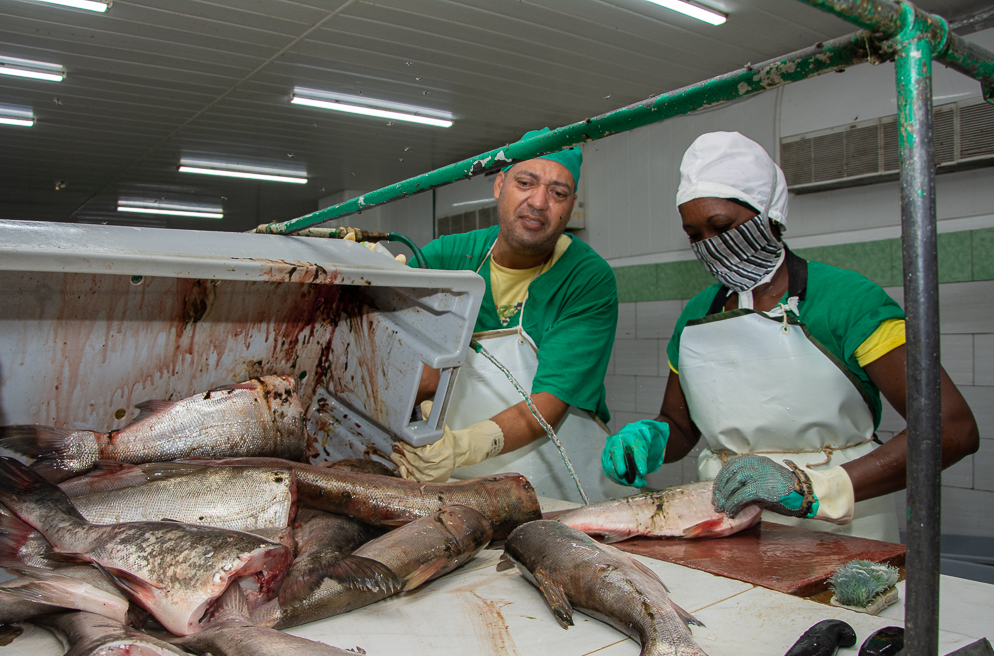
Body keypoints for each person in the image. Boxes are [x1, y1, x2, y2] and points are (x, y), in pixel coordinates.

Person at [600, 131, 979, 542]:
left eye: (722, 225)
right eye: (694, 235)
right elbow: (681, 425)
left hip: (841, 525)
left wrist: (814, 489)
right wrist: (651, 441)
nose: (711, 245)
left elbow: (951, 428)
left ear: (770, 215)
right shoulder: (696, 316)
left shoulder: (846, 301)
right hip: (725, 519)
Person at [391, 129, 619, 492]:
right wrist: (369, 285)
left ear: (571, 203)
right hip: (459, 483)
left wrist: (462, 447)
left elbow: (551, 400)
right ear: (499, 184)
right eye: (525, 182)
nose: (539, 202)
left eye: (558, 193)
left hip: (560, 483)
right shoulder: (448, 258)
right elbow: (398, 363)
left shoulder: (586, 277)